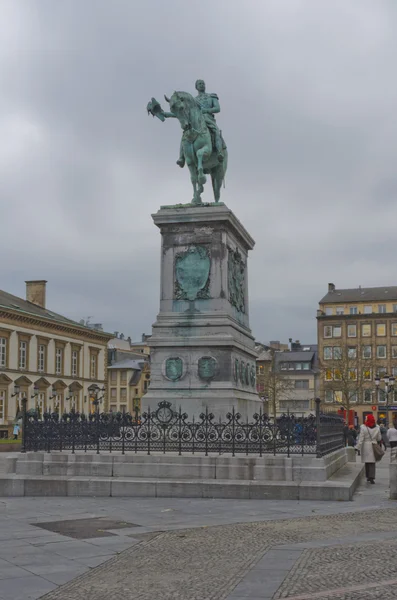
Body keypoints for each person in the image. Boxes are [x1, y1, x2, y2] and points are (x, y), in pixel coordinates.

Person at [356, 414, 381, 484]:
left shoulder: (363, 427)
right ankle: (372, 477)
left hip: (366, 446)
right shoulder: (377, 428)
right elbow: (379, 438)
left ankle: (368, 476)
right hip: (373, 445)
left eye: (366, 418)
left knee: (367, 462)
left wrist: (357, 447)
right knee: (372, 462)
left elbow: (361, 439)